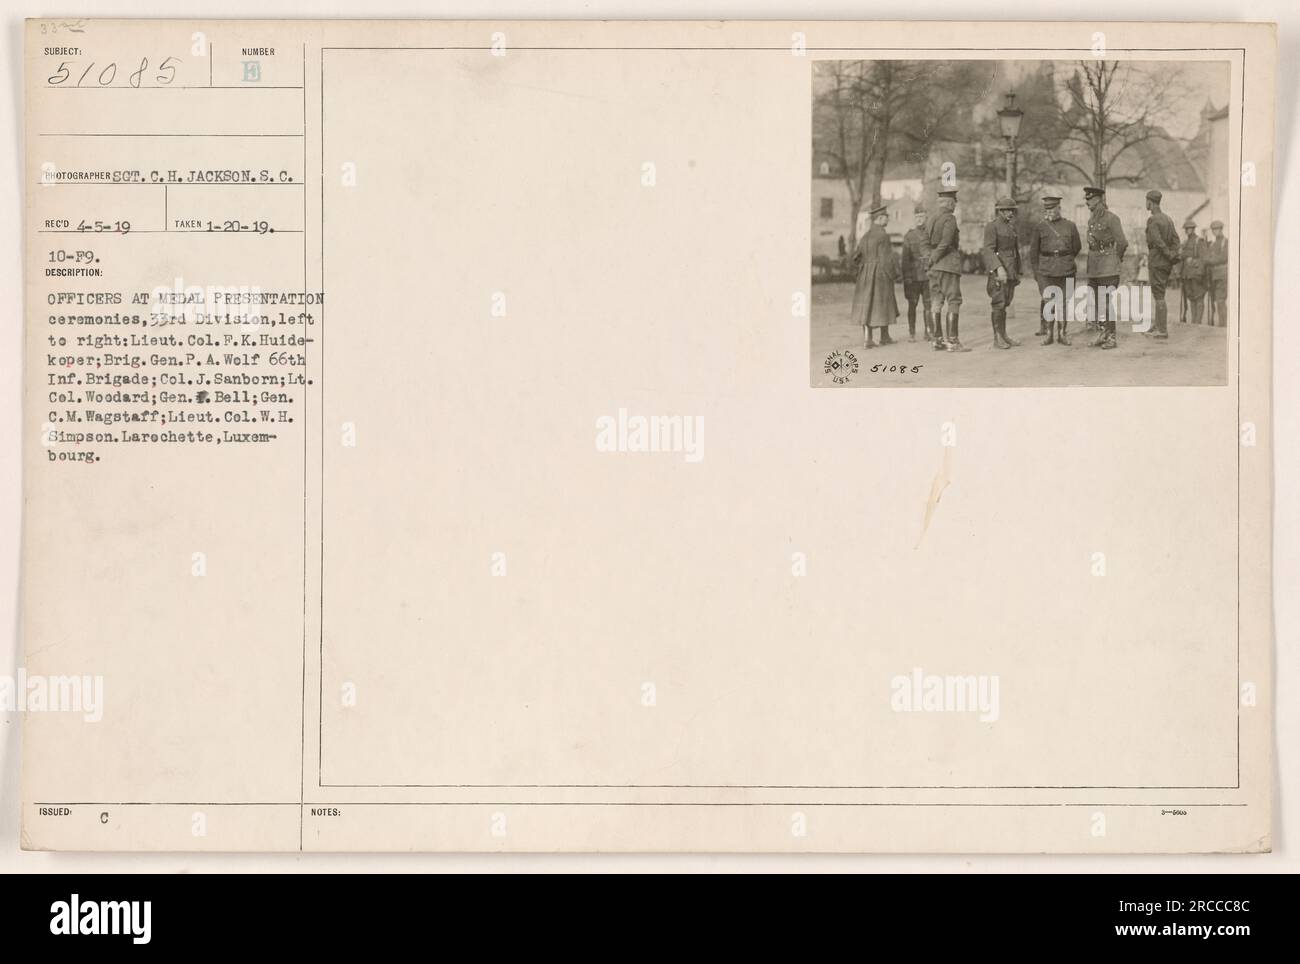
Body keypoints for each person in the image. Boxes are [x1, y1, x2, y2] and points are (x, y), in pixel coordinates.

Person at [1027, 194, 1082, 345]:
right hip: (1046, 271)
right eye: (1047, 209)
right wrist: (1037, 271)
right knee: (1049, 302)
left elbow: (1077, 247)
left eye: (1052, 208)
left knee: (1064, 302)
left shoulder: (1070, 226)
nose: (1049, 211)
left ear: (1059, 208)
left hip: (1067, 270)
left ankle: (1062, 334)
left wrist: (1065, 258)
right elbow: (1033, 252)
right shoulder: (1040, 227)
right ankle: (1049, 334)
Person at [1084, 185, 1127, 350]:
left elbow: (1122, 242)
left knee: (1107, 302)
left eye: (1090, 199)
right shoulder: (1091, 220)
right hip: (1094, 265)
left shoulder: (1112, 218)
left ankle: (1112, 337)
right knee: (1098, 302)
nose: (1087, 202)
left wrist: (1116, 259)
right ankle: (1103, 333)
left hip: (1108, 266)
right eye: (1087, 199)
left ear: (1099, 200)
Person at [850, 205, 899, 349]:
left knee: (868, 305)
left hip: (864, 275)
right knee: (883, 304)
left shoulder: (865, 236)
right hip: (880, 274)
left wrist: (863, 268)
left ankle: (868, 339)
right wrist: (893, 275)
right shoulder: (883, 235)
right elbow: (886, 259)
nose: (888, 219)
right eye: (886, 217)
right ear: (880, 218)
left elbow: (855, 257)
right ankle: (884, 337)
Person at [927, 188, 968, 351]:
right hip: (948, 264)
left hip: (934, 267)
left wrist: (930, 259)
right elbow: (946, 242)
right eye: (954, 203)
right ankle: (953, 341)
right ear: (950, 203)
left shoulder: (931, 218)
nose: (955, 206)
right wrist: (935, 257)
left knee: (936, 301)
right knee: (954, 300)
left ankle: (937, 340)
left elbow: (924, 241)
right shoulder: (950, 218)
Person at [981, 196, 1022, 349]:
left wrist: (1018, 269)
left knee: (1006, 302)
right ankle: (997, 338)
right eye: (1007, 210)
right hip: (999, 270)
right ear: (1000, 211)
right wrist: (998, 268)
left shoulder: (1010, 227)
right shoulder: (992, 227)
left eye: (1012, 210)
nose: (1010, 213)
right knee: (998, 303)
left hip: (1010, 270)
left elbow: (1015, 251)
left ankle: (1004, 335)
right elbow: (988, 250)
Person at [1143, 189, 1181, 340]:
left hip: (1157, 261)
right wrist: (1171, 255)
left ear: (1150, 203)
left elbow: (1157, 241)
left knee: (1158, 295)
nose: (1146, 204)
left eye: (1146, 201)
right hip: (1165, 263)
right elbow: (1176, 240)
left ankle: (1162, 329)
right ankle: (1157, 325)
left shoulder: (1153, 220)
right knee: (1160, 293)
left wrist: (1167, 253)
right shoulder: (1168, 219)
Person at [899, 203, 933, 342]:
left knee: (928, 305)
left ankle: (928, 331)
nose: (919, 219)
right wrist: (906, 277)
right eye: (917, 216)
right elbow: (905, 259)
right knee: (912, 305)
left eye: (921, 216)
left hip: (928, 276)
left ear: (926, 217)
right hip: (913, 277)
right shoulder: (909, 236)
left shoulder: (931, 234)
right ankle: (912, 333)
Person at [1178, 218, 1208, 325]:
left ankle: (1198, 321)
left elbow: (1204, 258)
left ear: (1193, 229)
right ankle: (1194, 321)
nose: (1187, 230)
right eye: (1186, 229)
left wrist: (1199, 272)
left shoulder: (1199, 241)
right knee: (1191, 297)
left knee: (1198, 297)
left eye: (1189, 228)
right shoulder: (1185, 242)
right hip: (1186, 275)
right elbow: (1181, 257)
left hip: (1196, 274)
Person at [1204, 219, 1229, 327]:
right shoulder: (1213, 244)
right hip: (1213, 275)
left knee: (1220, 300)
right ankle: (1219, 324)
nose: (1214, 231)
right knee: (1214, 300)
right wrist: (1210, 259)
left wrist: (1211, 260)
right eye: (1213, 230)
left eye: (1216, 229)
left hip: (1222, 275)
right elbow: (1207, 256)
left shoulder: (1225, 242)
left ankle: (1223, 324)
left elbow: (1223, 258)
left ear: (1221, 229)